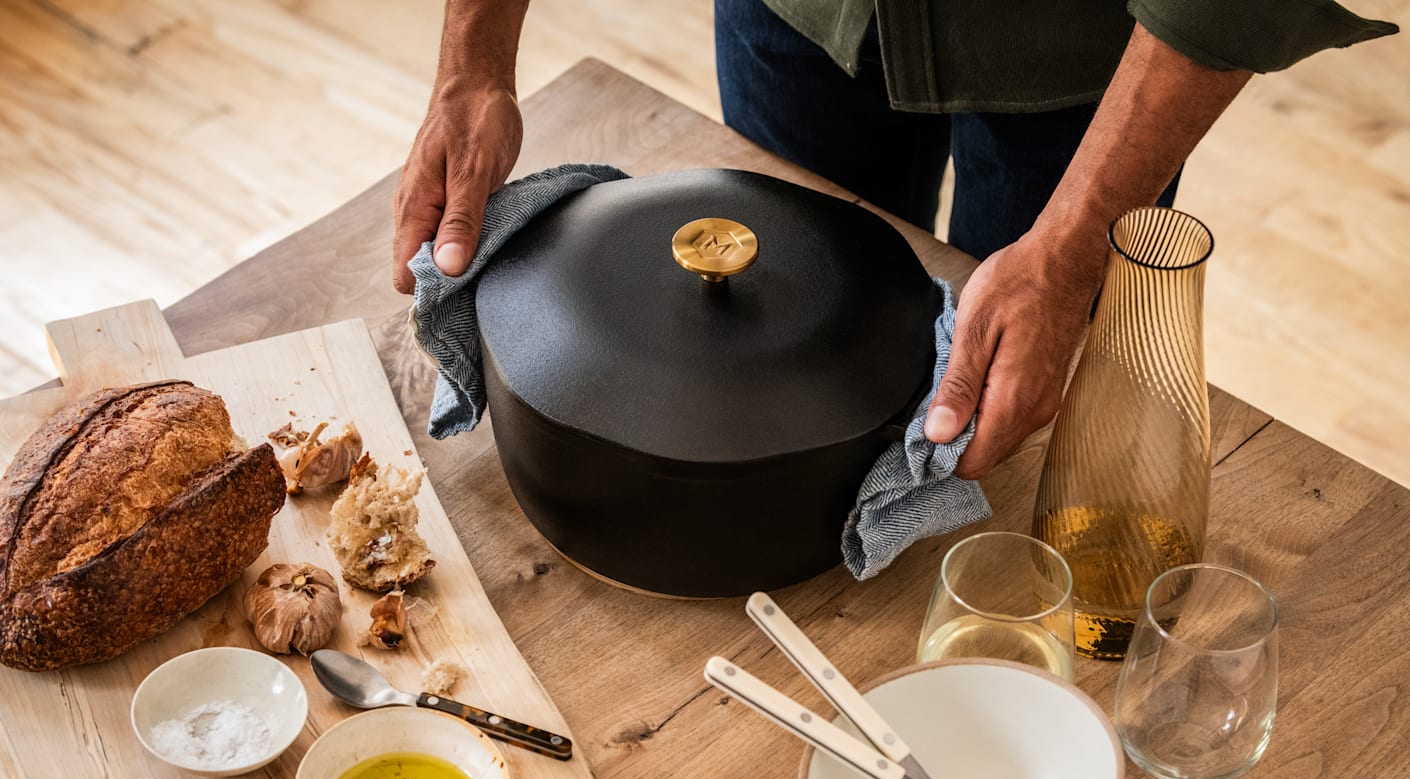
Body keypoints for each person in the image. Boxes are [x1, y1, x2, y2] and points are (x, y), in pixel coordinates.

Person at [392, 0, 1395, 479]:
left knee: (1006, 438)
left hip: (1092, 54)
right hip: (799, 17)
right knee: (771, 361)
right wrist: (472, 59)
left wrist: (1081, 234)